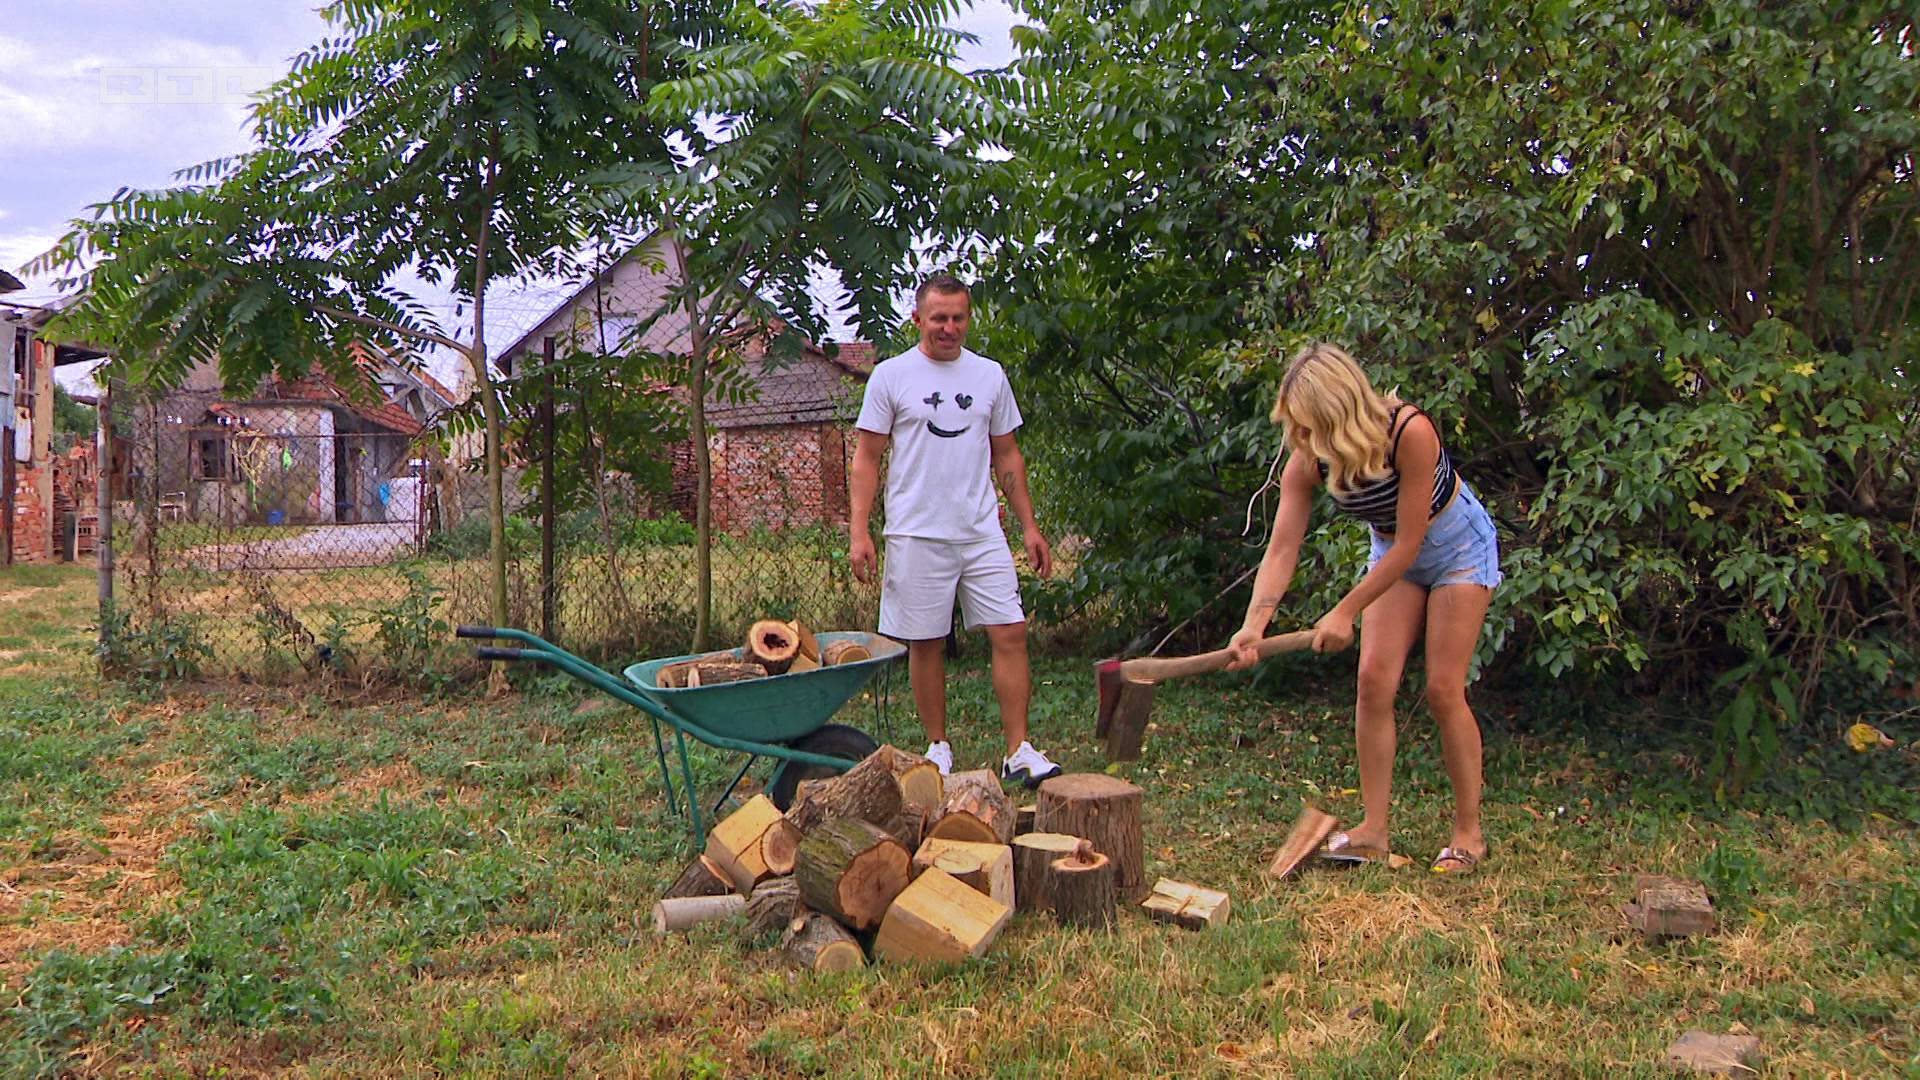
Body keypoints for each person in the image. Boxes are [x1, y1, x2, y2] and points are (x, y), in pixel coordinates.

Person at [1228, 343, 1501, 874]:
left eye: (1309, 427)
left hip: (1455, 548)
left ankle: (1469, 832)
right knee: (1373, 681)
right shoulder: (1305, 461)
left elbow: (1411, 544)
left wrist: (1344, 610)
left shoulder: (1410, 433)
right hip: (1391, 550)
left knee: (1444, 689)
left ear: (1338, 414)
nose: (1300, 442)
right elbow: (1283, 547)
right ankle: (1374, 831)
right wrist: (1253, 625)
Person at [848, 273, 1063, 787]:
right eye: (938, 317)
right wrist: (860, 531)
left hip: (981, 530)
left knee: (1010, 632)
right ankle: (938, 747)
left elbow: (1007, 453)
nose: (948, 328)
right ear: (918, 318)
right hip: (916, 533)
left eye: (958, 317)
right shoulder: (891, 377)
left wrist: (1029, 526)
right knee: (926, 643)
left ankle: (1019, 751)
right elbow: (867, 458)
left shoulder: (989, 376)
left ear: (969, 319)